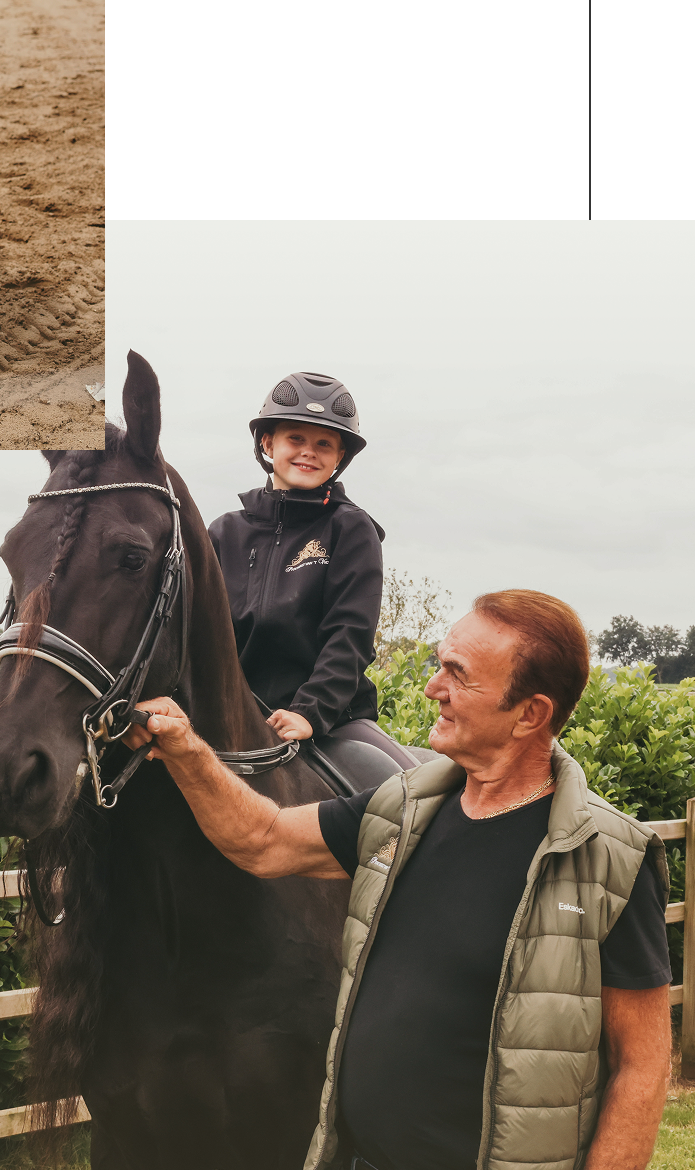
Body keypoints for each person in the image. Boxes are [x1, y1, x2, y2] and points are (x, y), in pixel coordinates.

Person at [126, 590, 673, 1170]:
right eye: (441, 664)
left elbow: (641, 1065)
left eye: (457, 675)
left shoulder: (610, 859)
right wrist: (188, 753)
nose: (434, 687)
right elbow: (262, 840)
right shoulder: (404, 810)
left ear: (529, 714)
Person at [209, 371, 421, 769]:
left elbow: (350, 634)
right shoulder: (224, 532)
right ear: (268, 443)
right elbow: (193, 632)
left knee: (404, 798)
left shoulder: (352, 529)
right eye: (296, 439)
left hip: (331, 719)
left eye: (324, 444)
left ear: (339, 457)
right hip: (231, 716)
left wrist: (310, 711)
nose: (309, 452)